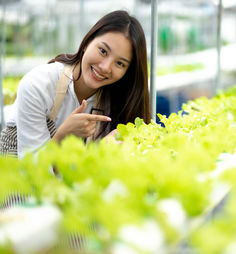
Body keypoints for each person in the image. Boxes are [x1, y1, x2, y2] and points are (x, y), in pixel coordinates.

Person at [0, 10, 150, 158]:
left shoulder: (120, 101)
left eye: (119, 63)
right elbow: (33, 168)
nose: (105, 67)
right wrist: (64, 134)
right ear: (87, 42)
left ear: (127, 71)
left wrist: (103, 152)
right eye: (103, 51)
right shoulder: (39, 85)